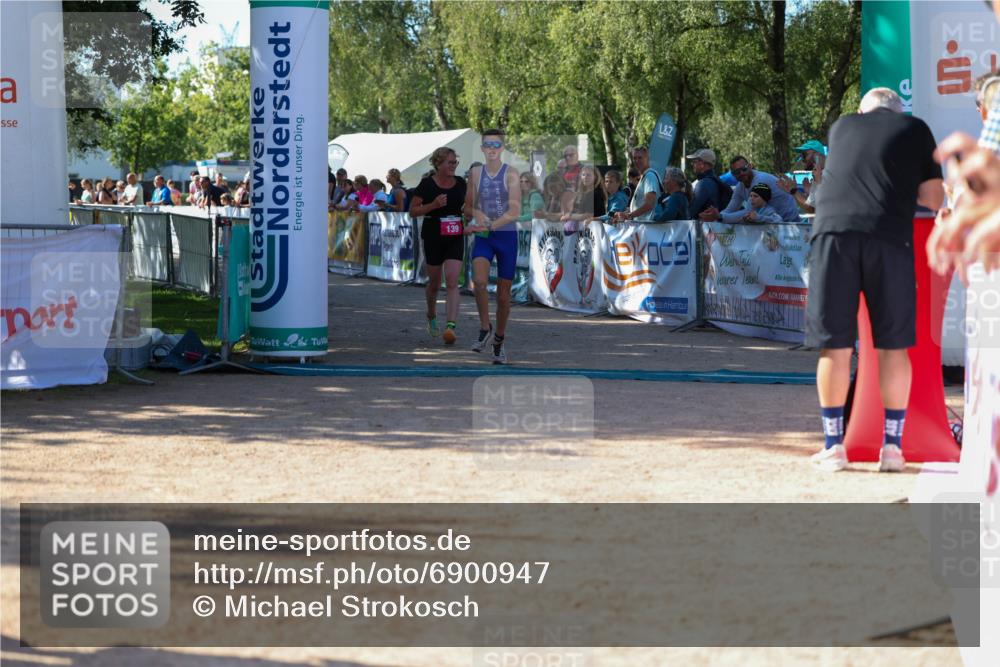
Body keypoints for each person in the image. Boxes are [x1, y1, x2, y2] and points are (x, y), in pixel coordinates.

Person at [806, 87, 943, 473]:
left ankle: (833, 447)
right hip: (888, 237)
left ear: (862, 111)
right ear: (899, 112)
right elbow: (934, 199)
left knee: (834, 346)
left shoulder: (841, 126)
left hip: (832, 234)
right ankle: (893, 449)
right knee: (892, 347)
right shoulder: (915, 128)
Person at [463, 129, 522, 364]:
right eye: (488, 144)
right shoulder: (475, 174)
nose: (492, 149)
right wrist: (476, 215)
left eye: (496, 144)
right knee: (479, 281)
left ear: (502, 148)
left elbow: (515, 210)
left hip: (506, 237)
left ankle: (499, 339)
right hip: (484, 237)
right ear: (482, 148)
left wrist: (491, 224)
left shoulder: (512, 173)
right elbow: (467, 207)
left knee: (503, 296)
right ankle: (485, 326)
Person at [410, 147, 467, 345]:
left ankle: (451, 327)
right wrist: (433, 205)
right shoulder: (427, 184)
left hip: (455, 236)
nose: (454, 165)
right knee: (434, 284)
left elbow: (467, 206)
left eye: (455, 162)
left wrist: (469, 214)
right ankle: (431, 314)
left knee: (452, 281)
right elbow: (413, 211)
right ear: (438, 163)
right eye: (450, 162)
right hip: (433, 236)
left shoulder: (461, 183)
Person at [702, 156, 800, 223]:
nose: (741, 173)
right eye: (737, 172)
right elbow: (730, 210)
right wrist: (714, 216)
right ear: (733, 175)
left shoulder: (760, 180)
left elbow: (748, 213)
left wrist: (719, 217)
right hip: (774, 224)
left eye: (744, 169)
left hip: (790, 224)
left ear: (750, 166)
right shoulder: (740, 187)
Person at [778, 139, 828, 214]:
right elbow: (811, 209)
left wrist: (794, 191)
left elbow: (813, 209)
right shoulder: (818, 176)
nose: (803, 159)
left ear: (817, 155)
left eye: (805, 155)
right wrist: (806, 192)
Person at [616, 146, 660, 223]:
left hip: (648, 226)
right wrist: (625, 213)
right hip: (642, 225)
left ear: (647, 158)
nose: (637, 161)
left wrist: (629, 215)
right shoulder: (645, 176)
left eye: (640, 158)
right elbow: (640, 205)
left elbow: (649, 204)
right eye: (634, 158)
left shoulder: (649, 176)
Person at [687, 148, 730, 219]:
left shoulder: (703, 184)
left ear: (702, 164)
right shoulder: (716, 181)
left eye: (694, 161)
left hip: (707, 225)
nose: (692, 164)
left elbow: (691, 212)